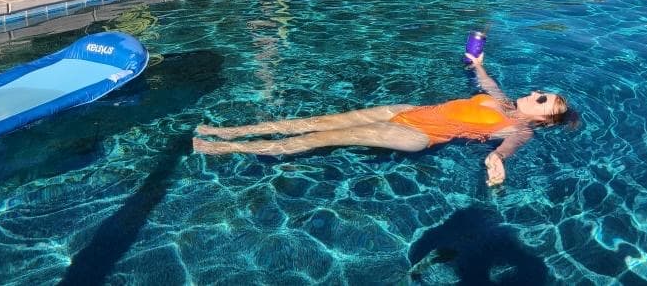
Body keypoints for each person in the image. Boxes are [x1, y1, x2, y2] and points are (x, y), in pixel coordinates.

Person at [193, 55, 573, 186]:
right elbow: (485, 82)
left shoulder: (519, 128)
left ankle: (225, 147)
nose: (536, 93)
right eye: (541, 91)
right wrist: (477, 64)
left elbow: (505, 150)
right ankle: (228, 131)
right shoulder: (505, 102)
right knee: (322, 120)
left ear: (543, 119)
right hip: (405, 110)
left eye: (543, 100)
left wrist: (497, 161)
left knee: (327, 138)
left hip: (417, 132)